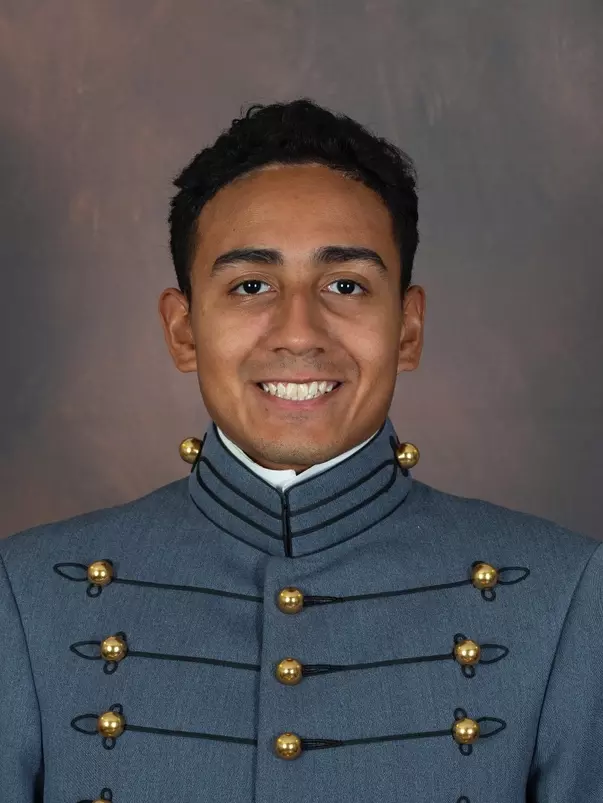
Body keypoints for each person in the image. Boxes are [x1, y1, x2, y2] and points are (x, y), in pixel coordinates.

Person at [1, 99, 601, 803]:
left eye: (345, 285)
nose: (297, 331)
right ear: (182, 329)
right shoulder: (29, 595)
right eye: (250, 285)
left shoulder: (564, 597)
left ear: (407, 329)